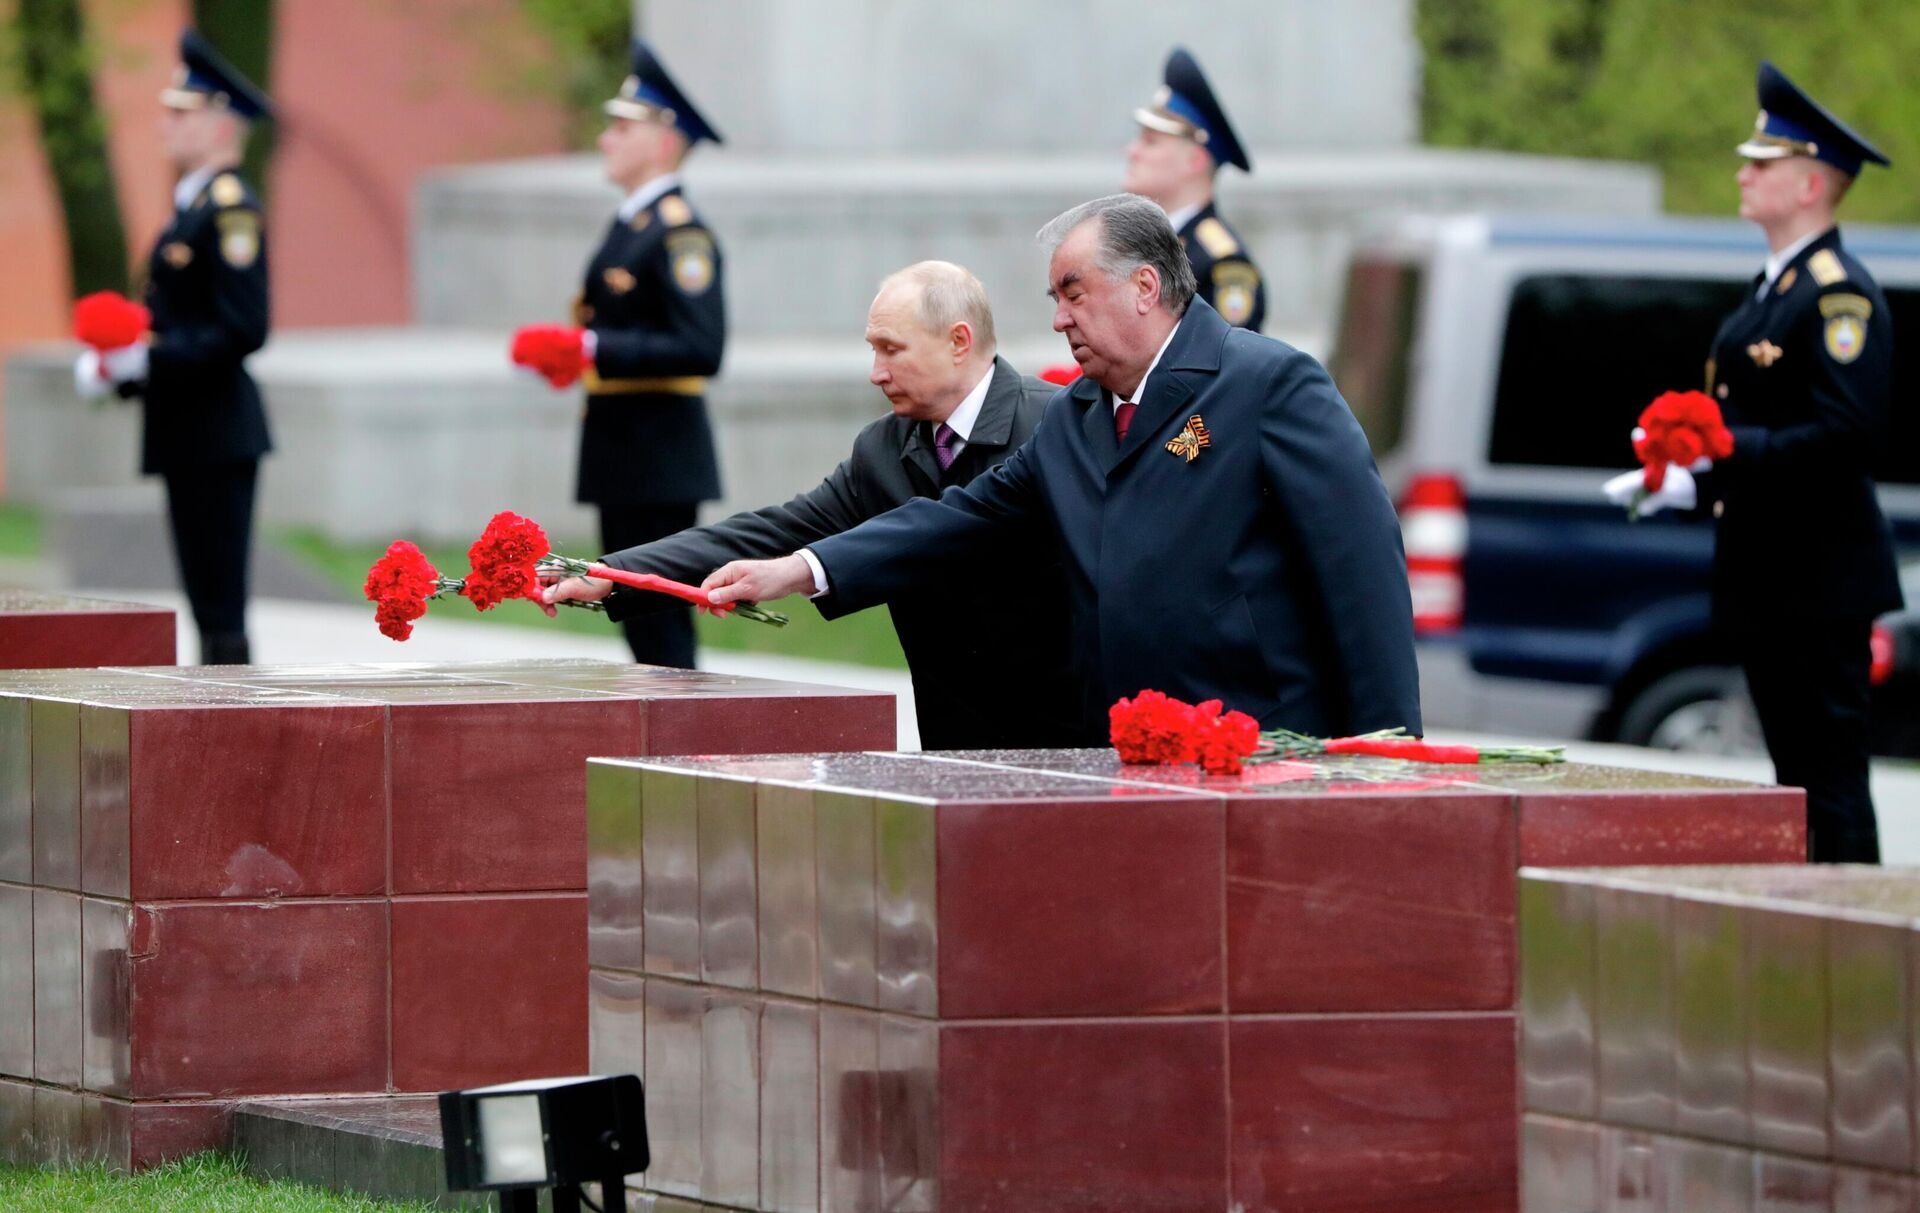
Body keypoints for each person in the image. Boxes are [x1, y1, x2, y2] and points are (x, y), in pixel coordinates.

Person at [692, 194, 1420, 739]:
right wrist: (802, 567)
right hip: (1127, 758)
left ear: (1144, 287)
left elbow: (1360, 572)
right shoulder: (1078, 418)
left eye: (1074, 293)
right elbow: (962, 516)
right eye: (1056, 299)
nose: (1059, 319)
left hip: (1265, 753)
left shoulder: (1267, 383)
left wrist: (1389, 752)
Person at [543, 262, 1081, 748]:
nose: (876, 371)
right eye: (873, 349)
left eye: (892, 349)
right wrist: (615, 572)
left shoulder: (1058, 424)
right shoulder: (884, 448)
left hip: (1083, 739)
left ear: (958, 342)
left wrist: (801, 571)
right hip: (956, 744)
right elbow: (776, 531)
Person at [1705, 63, 1897, 862]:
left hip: (1818, 578)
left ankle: (1857, 940)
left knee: (1831, 776)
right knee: (1798, 774)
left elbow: (1847, 434)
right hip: (1773, 573)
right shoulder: (1770, 291)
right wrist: (1684, 466)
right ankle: (1817, 927)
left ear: (1812, 183)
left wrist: (1727, 446)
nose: (1745, 174)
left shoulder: (1835, 294)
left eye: (1765, 163)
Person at [76, 30, 272, 665]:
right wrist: (121, 368)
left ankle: (233, 717)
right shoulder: (190, 208)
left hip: (217, 428)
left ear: (221, 126)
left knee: (219, 599)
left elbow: (244, 328)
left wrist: (147, 358)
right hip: (186, 426)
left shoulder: (229, 209)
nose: (167, 123)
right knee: (202, 592)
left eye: (182, 113)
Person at [563, 39, 727, 668]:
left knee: (658, 626)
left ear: (663, 141)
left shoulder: (680, 232)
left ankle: (684, 745)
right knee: (634, 617)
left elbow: (701, 346)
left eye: (622, 127)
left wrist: (593, 346)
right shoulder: (632, 223)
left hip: (658, 453)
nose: (607, 139)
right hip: (625, 449)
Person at [1123, 47, 1266, 331]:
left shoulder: (1222, 265)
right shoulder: (1147, 243)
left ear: (1195, 160)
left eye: (1150, 142)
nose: (1132, 152)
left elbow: (1224, 367)